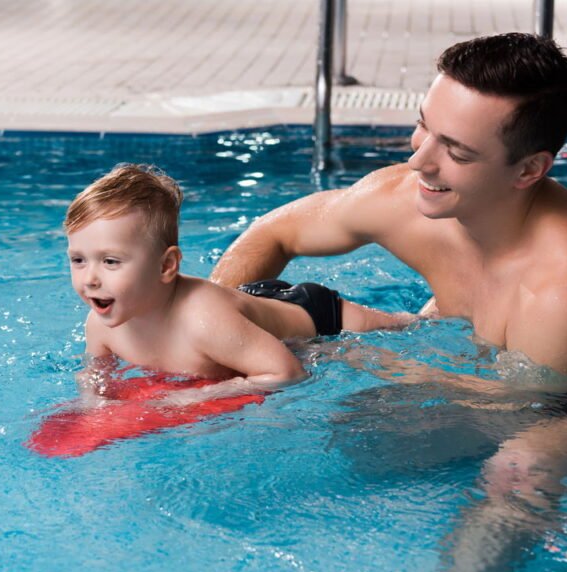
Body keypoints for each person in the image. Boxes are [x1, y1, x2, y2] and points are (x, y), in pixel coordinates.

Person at [209, 32, 567, 572]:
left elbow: (517, 410)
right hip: (484, 358)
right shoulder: (405, 198)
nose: (419, 160)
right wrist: (210, 330)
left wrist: (350, 358)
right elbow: (270, 235)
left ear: (529, 170)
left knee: (520, 467)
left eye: (456, 151)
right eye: (424, 126)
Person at [64, 163, 412, 403]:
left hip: (316, 317)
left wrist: (195, 396)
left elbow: (287, 372)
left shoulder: (203, 321)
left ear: (167, 265)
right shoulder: (100, 324)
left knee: (411, 330)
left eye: (110, 262)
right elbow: (95, 375)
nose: (90, 279)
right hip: (244, 316)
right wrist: (93, 404)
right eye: (78, 260)